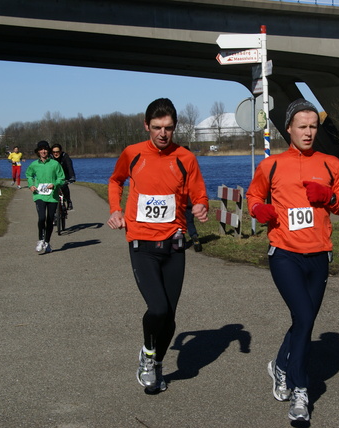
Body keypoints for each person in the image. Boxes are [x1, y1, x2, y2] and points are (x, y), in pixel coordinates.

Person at [246, 98, 339, 422]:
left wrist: (329, 197)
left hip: (319, 255)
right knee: (305, 317)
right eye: (302, 126)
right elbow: (253, 196)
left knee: (302, 322)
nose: (308, 132)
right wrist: (259, 210)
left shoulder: (331, 164)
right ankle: (300, 390)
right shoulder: (271, 165)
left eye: (313, 127)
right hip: (285, 254)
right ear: (289, 128)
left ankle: (279, 365)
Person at [107, 98, 209, 393]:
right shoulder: (133, 154)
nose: (163, 134)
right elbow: (116, 180)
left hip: (174, 244)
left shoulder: (185, 157)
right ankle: (148, 357)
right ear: (146, 126)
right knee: (158, 308)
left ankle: (156, 361)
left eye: (168, 128)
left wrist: (201, 207)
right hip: (142, 243)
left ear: (175, 127)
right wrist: (115, 209)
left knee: (170, 317)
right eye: (156, 128)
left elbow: (199, 194)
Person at [25, 140, 65, 254]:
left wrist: (55, 184)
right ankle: (40, 240)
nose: (43, 151)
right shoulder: (34, 164)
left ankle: (47, 242)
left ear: (48, 151)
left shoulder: (55, 164)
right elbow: (28, 175)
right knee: (42, 218)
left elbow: (61, 178)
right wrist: (31, 185)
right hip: (39, 195)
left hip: (52, 196)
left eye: (45, 149)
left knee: (50, 219)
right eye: (41, 149)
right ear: (38, 152)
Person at [51, 143, 76, 210]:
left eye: (57, 152)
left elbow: (69, 167)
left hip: (64, 175)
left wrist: (72, 177)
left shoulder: (65, 157)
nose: (55, 154)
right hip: (54, 176)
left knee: (64, 185)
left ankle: (68, 201)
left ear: (61, 151)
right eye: (54, 152)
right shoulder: (50, 157)